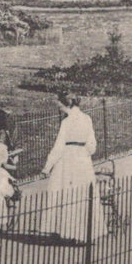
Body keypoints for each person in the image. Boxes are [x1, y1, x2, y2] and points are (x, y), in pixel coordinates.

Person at [41, 93, 105, 241]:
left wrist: (47, 167)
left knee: (64, 191)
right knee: (82, 193)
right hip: (83, 159)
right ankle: (84, 234)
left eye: (60, 103)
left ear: (67, 104)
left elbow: (58, 146)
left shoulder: (67, 122)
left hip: (67, 159)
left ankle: (67, 231)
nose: (58, 106)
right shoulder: (87, 118)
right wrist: (84, 153)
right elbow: (92, 145)